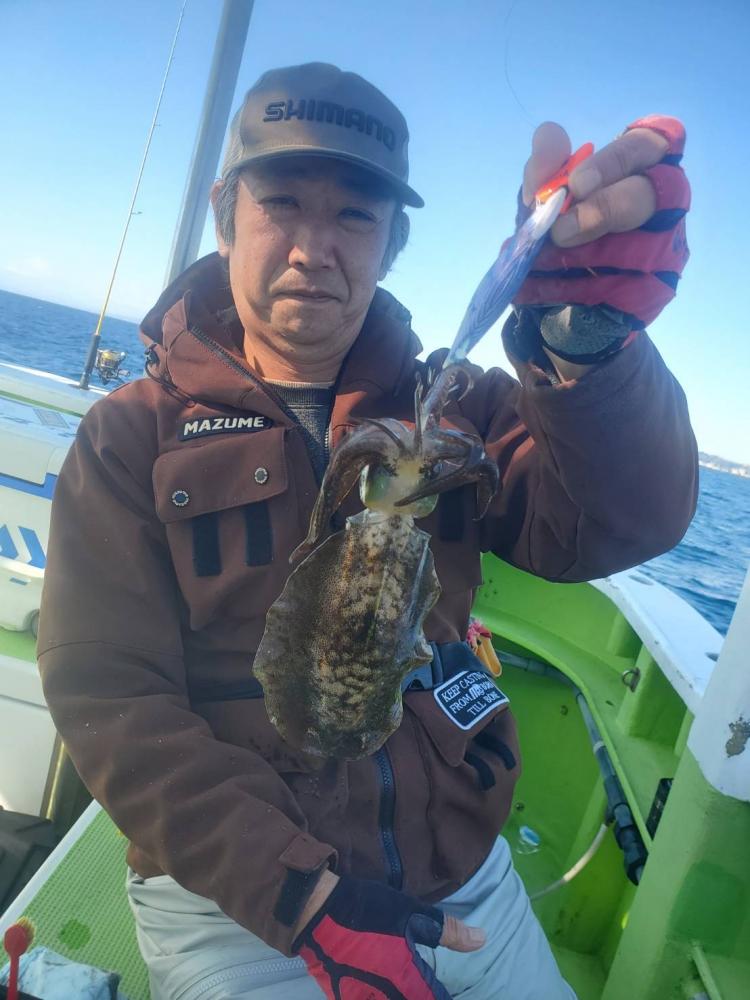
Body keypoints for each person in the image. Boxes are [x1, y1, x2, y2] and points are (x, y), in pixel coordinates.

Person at [37, 63, 696, 1000]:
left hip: (460, 872)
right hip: (240, 898)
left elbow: (615, 524)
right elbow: (109, 696)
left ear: (392, 245)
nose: (314, 247)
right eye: (282, 203)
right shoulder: (130, 437)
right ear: (226, 216)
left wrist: (586, 340)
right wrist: (299, 894)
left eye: (354, 216)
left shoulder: (457, 403)